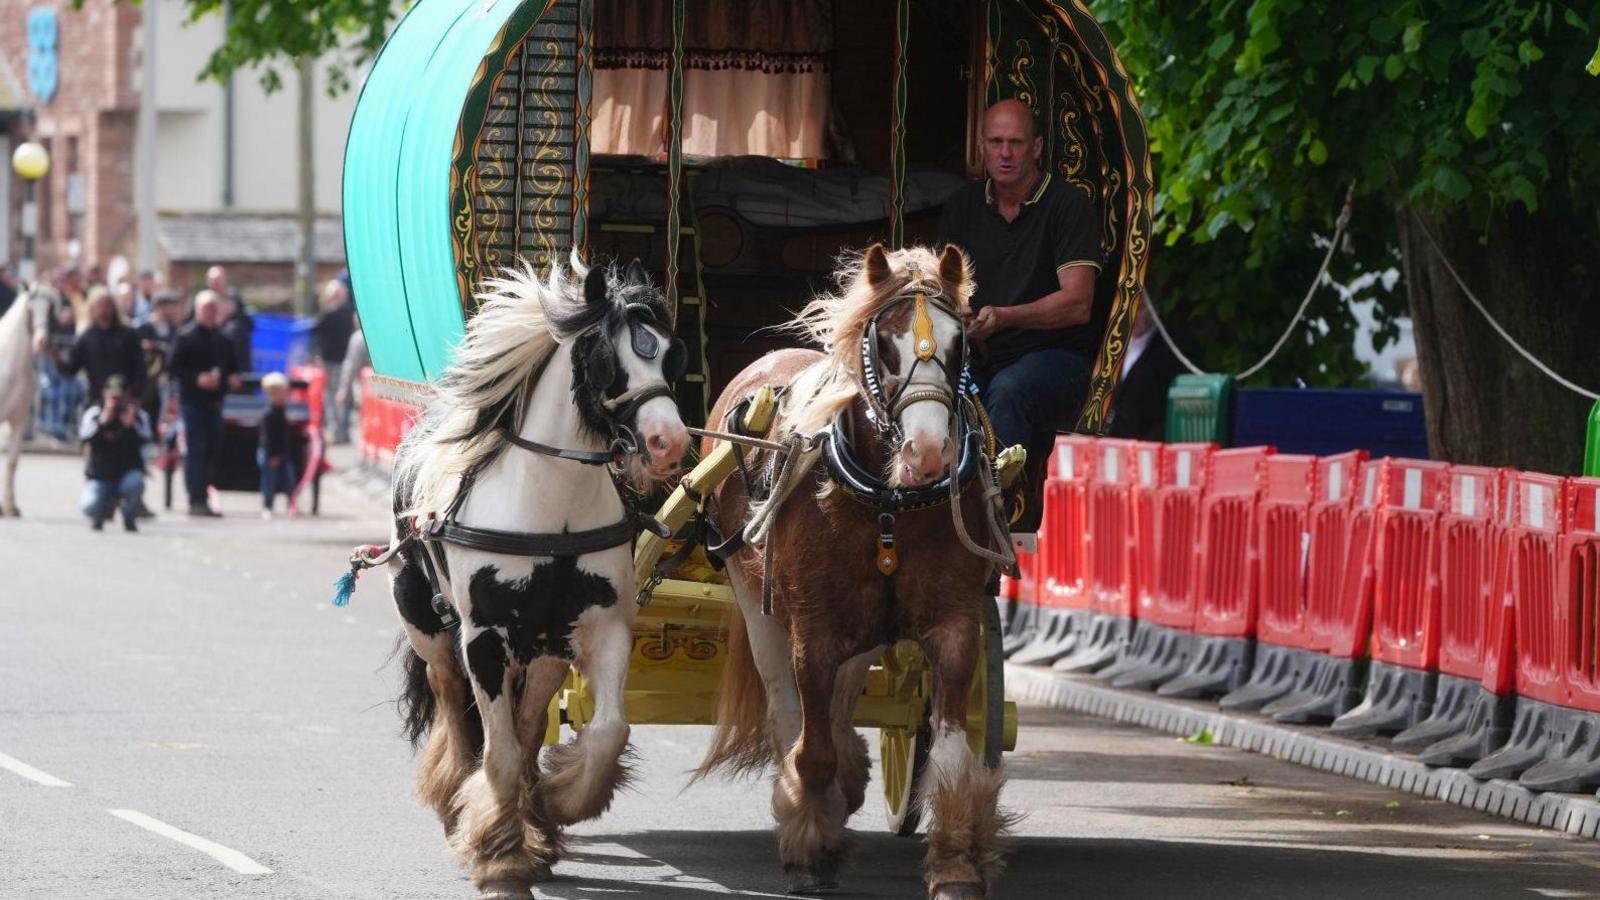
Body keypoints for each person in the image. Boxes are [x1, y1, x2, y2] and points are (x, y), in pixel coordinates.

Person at [938, 99, 1103, 473]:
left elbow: (1078, 303)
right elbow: (946, 288)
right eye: (996, 142)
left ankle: (998, 508)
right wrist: (961, 312)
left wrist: (1004, 317)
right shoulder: (962, 207)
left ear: (1038, 148)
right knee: (930, 388)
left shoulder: (1067, 205)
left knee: (1011, 388)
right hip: (980, 356)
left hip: (1060, 359)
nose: (1005, 153)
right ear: (981, 147)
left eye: (1016, 142)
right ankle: (930, 505)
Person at [170, 290, 241, 516]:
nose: (210, 314)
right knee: (196, 449)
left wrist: (231, 378)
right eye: (206, 309)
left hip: (215, 403)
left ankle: (205, 494)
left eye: (214, 309)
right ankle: (195, 498)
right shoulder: (186, 337)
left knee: (213, 450)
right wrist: (196, 378)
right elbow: (173, 368)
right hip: (193, 402)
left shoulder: (224, 339)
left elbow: (233, 367)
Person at [1107, 293, 1185, 441]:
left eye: (1140, 307)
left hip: (1149, 444)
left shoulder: (1171, 350)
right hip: (1112, 445)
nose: (1132, 315)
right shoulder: (1111, 346)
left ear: (1154, 308)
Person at [79, 375, 150, 532]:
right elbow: (85, 439)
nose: (116, 401)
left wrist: (130, 427)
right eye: (113, 396)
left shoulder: (138, 416)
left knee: (136, 482)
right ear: (105, 394)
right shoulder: (94, 414)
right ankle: (102, 512)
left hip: (126, 474)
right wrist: (102, 422)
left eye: (120, 397)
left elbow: (146, 444)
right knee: (89, 505)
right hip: (101, 476)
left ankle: (129, 516)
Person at [58, 286, 146, 402]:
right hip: (97, 401)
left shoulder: (128, 335)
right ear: (92, 308)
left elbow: (140, 368)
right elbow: (70, 369)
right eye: (100, 305)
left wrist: (134, 395)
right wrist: (56, 357)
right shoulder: (86, 338)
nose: (104, 309)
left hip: (126, 400)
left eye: (107, 305)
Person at [311, 278, 355, 442]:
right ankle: (344, 430)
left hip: (330, 361)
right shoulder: (349, 316)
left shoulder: (326, 316)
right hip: (345, 360)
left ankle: (336, 430)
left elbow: (314, 335)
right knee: (344, 396)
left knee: (332, 396)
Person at [258, 372, 298, 518]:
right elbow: (267, 438)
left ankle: (291, 504)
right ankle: (267, 506)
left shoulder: (282, 412)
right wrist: (272, 455)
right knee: (269, 481)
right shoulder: (269, 414)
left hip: (283, 451)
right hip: (270, 452)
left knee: (289, 479)